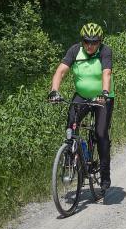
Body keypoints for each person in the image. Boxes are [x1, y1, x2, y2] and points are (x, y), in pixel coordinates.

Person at [48, 23, 114, 192]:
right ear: (82, 41)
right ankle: (71, 158)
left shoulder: (105, 51)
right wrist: (54, 91)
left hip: (102, 98)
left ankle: (105, 175)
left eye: (94, 42)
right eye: (86, 42)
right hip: (82, 96)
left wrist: (105, 93)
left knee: (101, 133)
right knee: (71, 125)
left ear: (100, 41)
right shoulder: (74, 50)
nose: (90, 45)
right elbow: (60, 71)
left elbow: (106, 73)